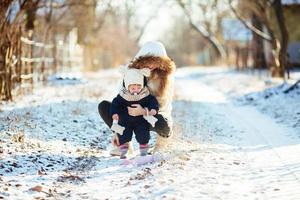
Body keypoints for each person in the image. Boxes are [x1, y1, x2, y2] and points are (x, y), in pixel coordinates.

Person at [98, 41, 176, 155]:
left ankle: (162, 144)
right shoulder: (131, 73)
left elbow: (164, 107)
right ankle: (124, 144)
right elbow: (121, 98)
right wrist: (116, 131)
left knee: (163, 123)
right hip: (129, 114)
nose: (150, 66)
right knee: (105, 106)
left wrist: (143, 111)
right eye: (147, 62)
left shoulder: (164, 78)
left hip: (150, 114)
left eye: (155, 62)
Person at [110, 67, 159, 159]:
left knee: (143, 134)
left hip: (141, 120)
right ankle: (123, 150)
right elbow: (115, 104)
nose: (136, 90)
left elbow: (153, 102)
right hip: (125, 120)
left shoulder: (145, 94)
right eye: (133, 88)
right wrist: (114, 113)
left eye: (138, 87)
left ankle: (143, 150)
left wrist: (153, 110)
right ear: (127, 86)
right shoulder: (123, 96)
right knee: (123, 134)